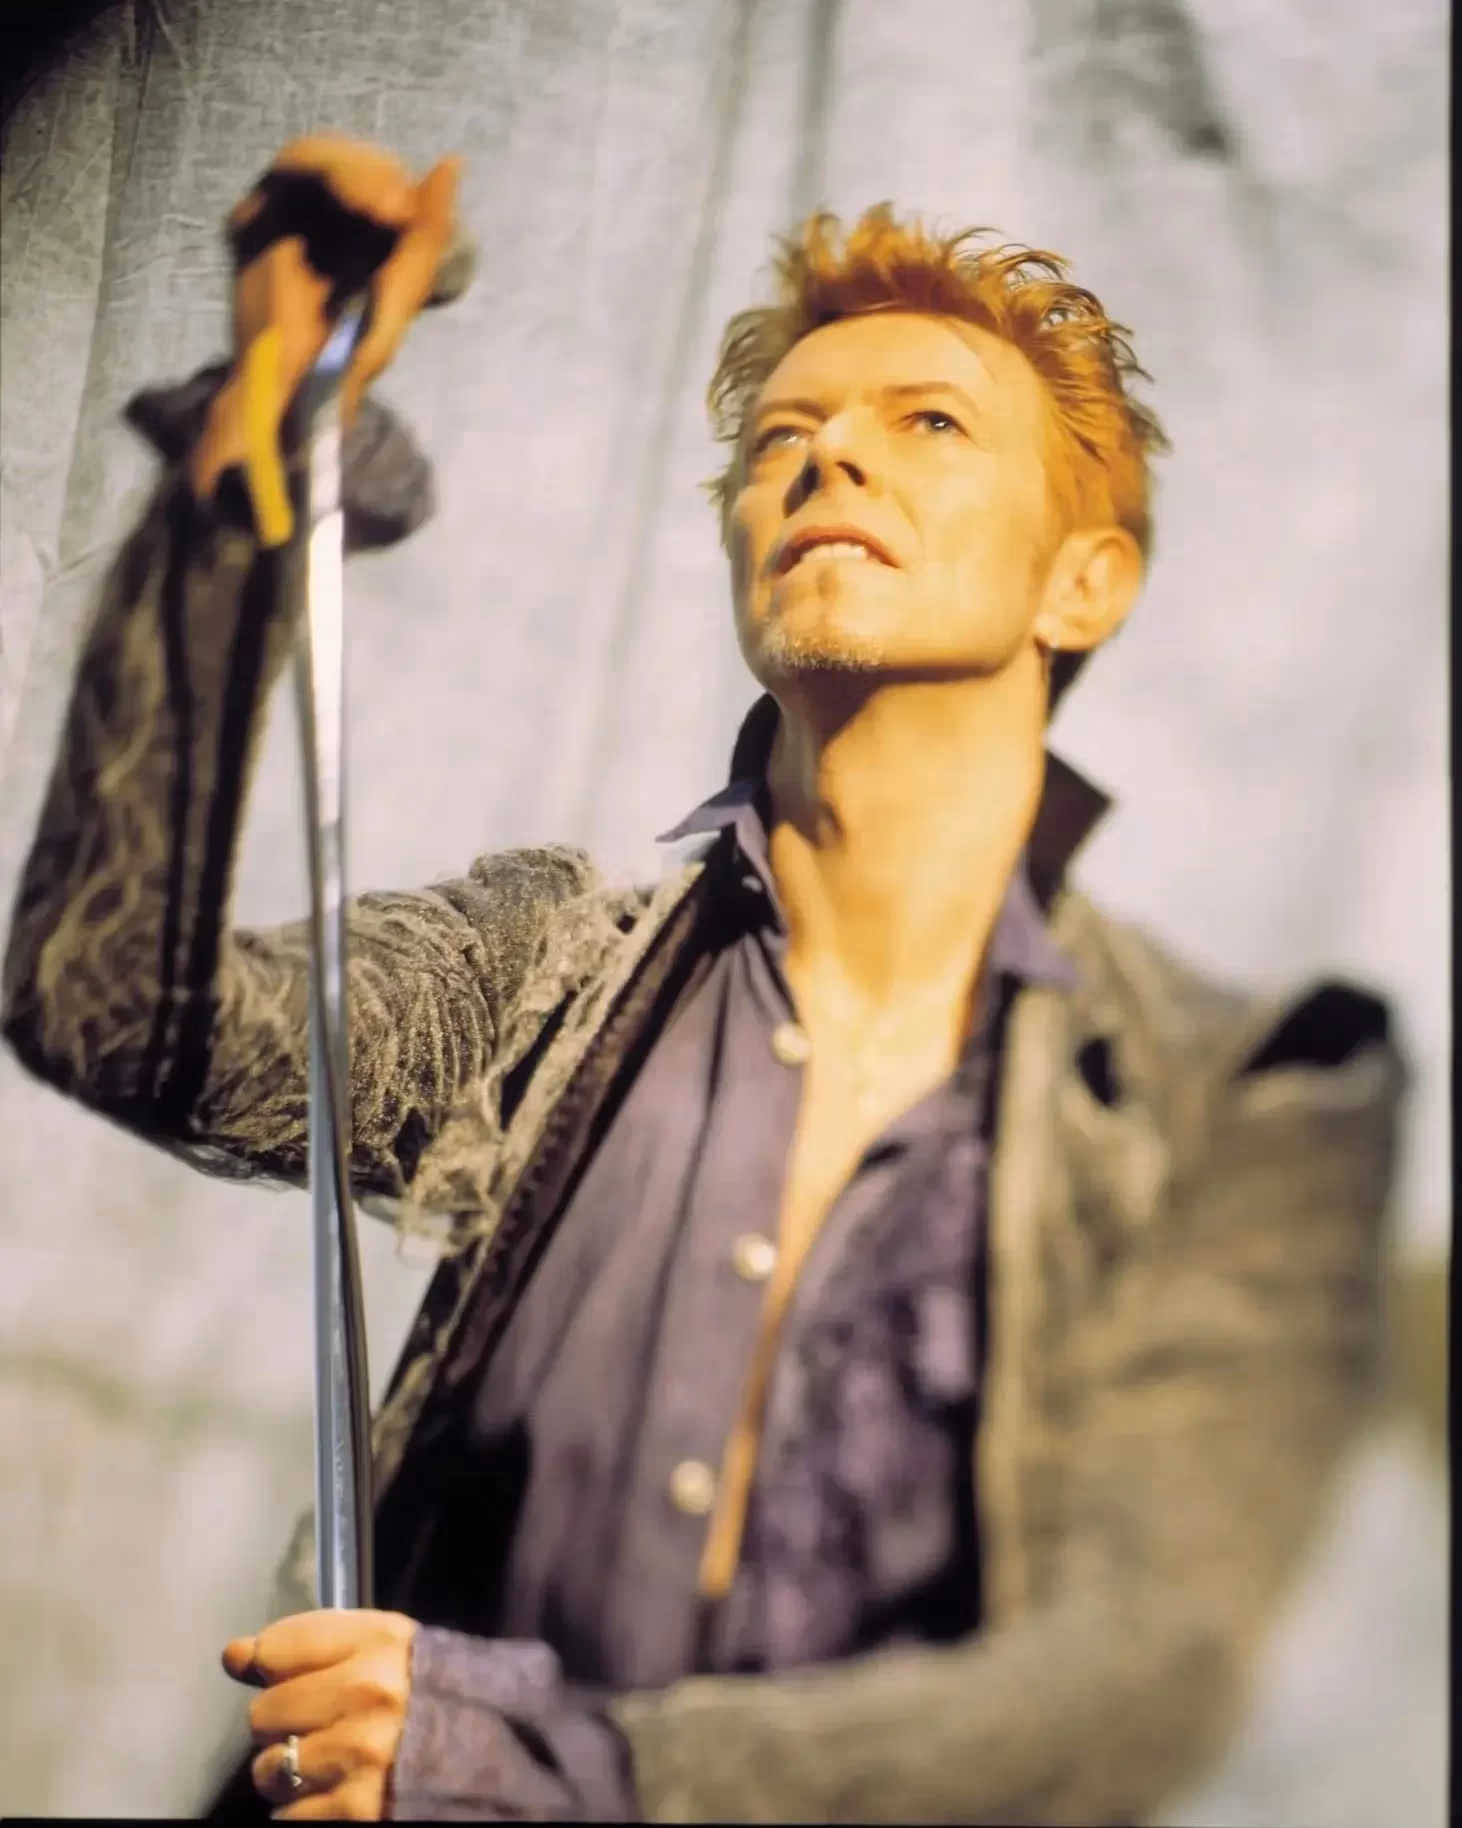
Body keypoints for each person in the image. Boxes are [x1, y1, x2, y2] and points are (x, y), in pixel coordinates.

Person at [1, 136, 1403, 1825]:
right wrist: (253, 458)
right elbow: (109, 1015)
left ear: (1080, 578)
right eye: (779, 444)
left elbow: (1127, 1684)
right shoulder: (540, 968)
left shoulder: (1243, 1099)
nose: (827, 465)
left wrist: (524, 1767)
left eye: (925, 424)